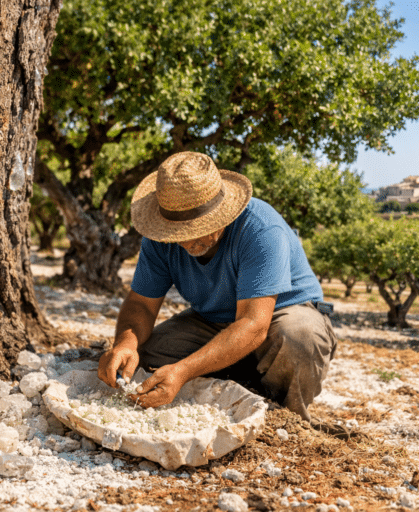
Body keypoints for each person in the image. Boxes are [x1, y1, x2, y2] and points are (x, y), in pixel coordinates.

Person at [98, 151, 337, 421]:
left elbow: (253, 324)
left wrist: (184, 371)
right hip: (215, 319)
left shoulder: (260, 228)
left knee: (299, 336)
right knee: (146, 356)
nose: (188, 242)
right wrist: (125, 343)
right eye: (179, 233)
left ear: (223, 214)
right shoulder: (159, 237)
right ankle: (244, 379)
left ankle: (283, 417)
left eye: (198, 228)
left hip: (279, 316)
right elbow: (141, 303)